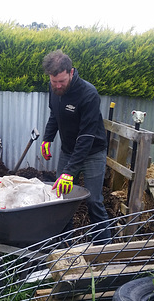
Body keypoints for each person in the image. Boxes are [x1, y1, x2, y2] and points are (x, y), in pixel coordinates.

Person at [39, 49, 112, 243]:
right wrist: (48, 138)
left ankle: (103, 248)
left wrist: (69, 171)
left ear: (71, 72)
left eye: (61, 81)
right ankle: (65, 246)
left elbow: (86, 136)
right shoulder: (53, 88)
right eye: (54, 82)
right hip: (68, 150)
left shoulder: (88, 94)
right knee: (61, 198)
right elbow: (54, 114)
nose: (57, 85)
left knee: (94, 200)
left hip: (92, 152)